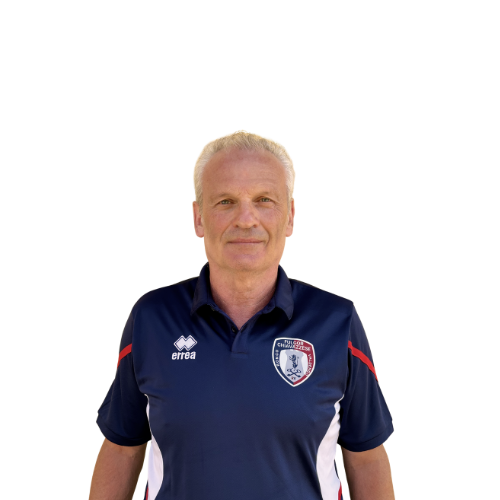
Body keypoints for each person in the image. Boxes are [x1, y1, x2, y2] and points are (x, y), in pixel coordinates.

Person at [89, 129, 395, 500]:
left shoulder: (337, 321)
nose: (246, 219)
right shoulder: (151, 319)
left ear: (290, 217)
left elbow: (366, 457)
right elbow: (122, 449)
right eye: (226, 202)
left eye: (264, 200)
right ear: (198, 218)